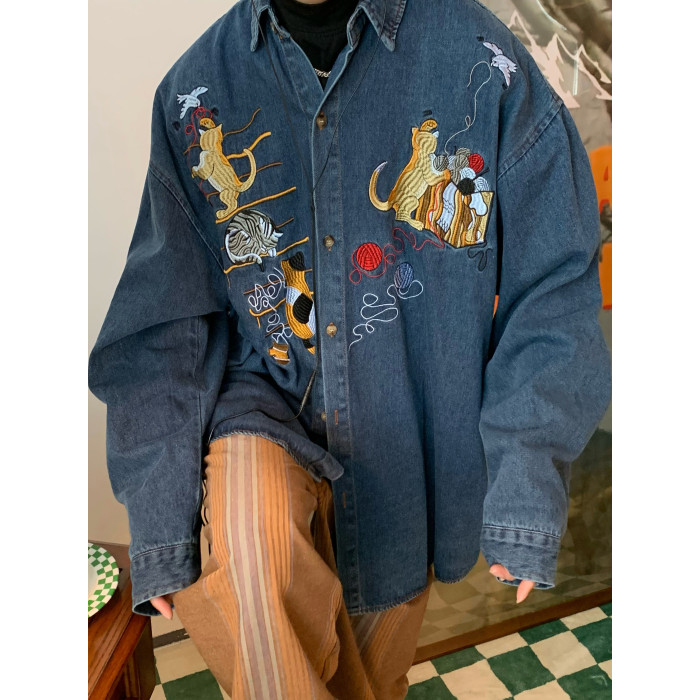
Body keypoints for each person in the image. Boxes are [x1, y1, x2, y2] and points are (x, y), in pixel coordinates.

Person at [88, 0, 612, 697]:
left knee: (369, 681)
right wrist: (160, 519)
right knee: (253, 547)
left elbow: (551, 285)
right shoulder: (198, 86)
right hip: (259, 403)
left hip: (411, 443)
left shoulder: (483, 60)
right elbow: (163, 322)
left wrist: (526, 476)